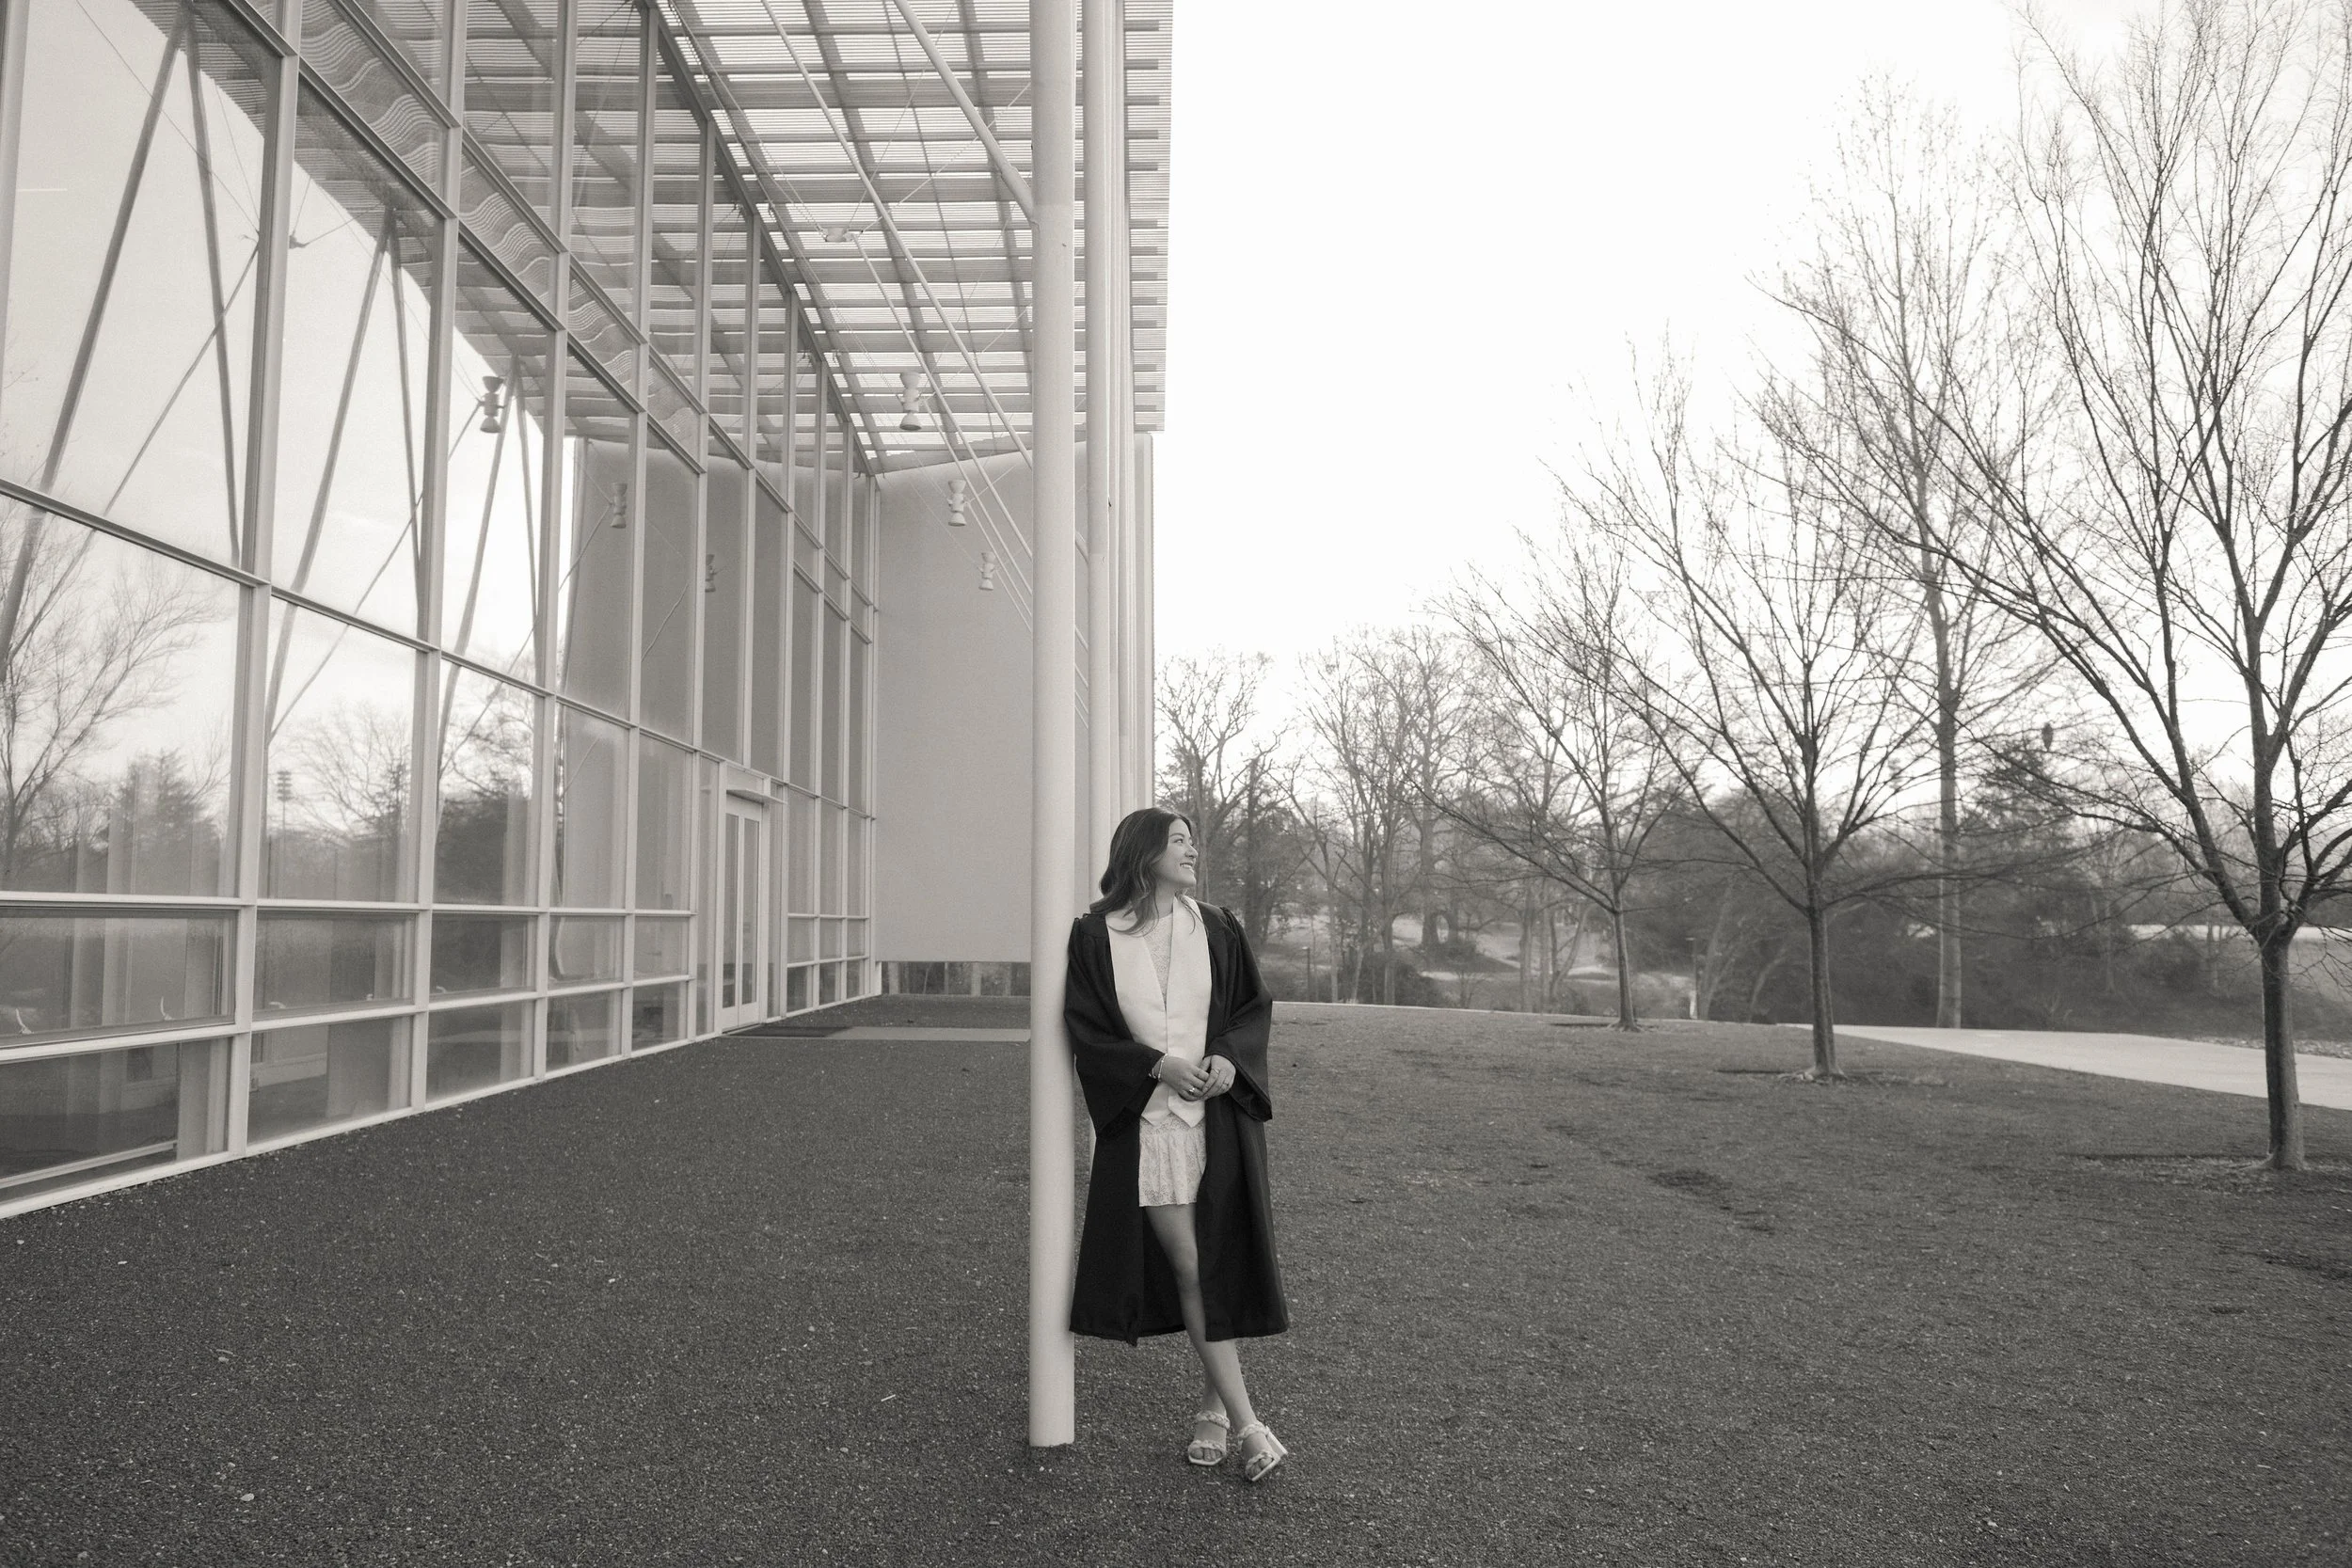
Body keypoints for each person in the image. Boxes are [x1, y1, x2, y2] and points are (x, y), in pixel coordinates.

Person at [1064, 807, 1291, 1481]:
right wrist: (1155, 1064)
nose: (1192, 849)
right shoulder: (1094, 936)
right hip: (1151, 1127)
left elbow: (1252, 1008)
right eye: (1179, 839)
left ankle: (1212, 1412)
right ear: (1144, 850)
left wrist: (1227, 1057)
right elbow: (1087, 1027)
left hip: (1217, 1124)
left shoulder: (1216, 927)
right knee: (1192, 1265)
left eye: (1194, 839)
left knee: (1220, 1261)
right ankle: (1250, 1422)